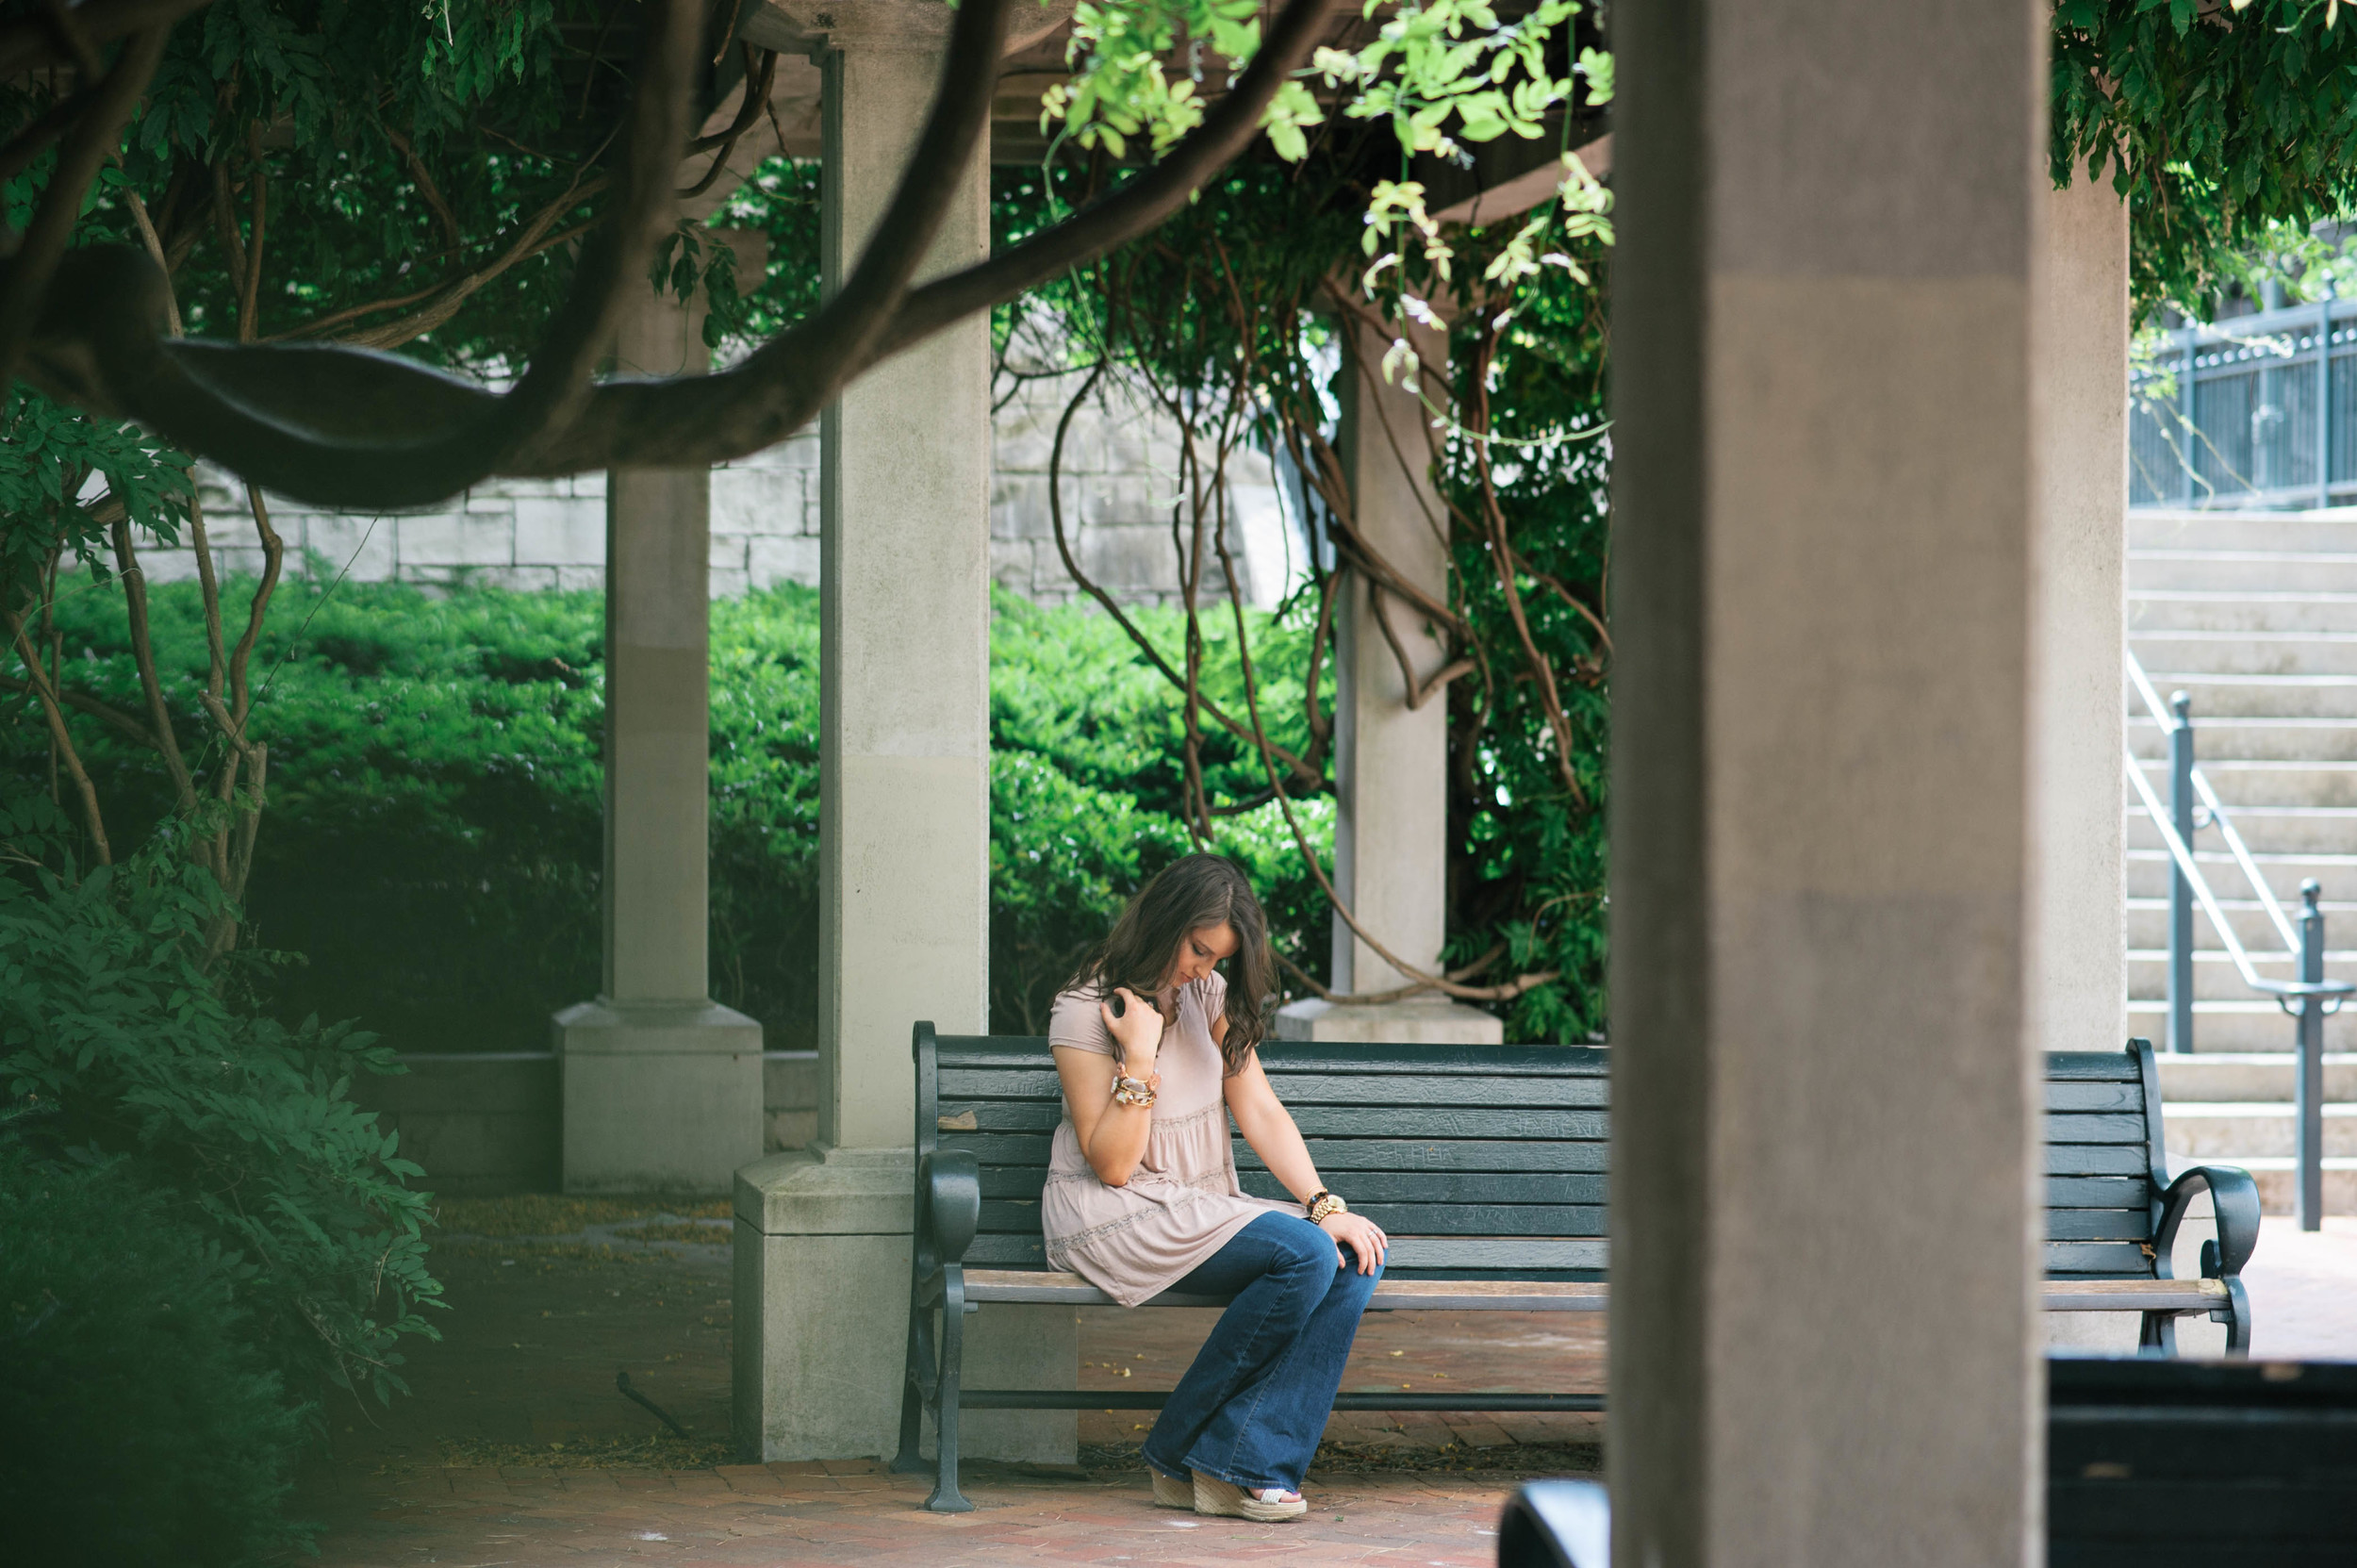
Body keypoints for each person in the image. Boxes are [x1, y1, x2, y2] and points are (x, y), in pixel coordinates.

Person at [1043, 852, 1389, 1522]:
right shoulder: (1085, 1010)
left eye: (1216, 956)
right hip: (1112, 1212)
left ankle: (1237, 1457)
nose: (1203, 968)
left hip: (1194, 1204)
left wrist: (1324, 1203)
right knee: (1305, 1253)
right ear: (1163, 920)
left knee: (1348, 1253)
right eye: (1198, 949)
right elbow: (1113, 1165)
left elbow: (1259, 1108)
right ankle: (1193, 1452)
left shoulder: (1208, 997)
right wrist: (1138, 1053)